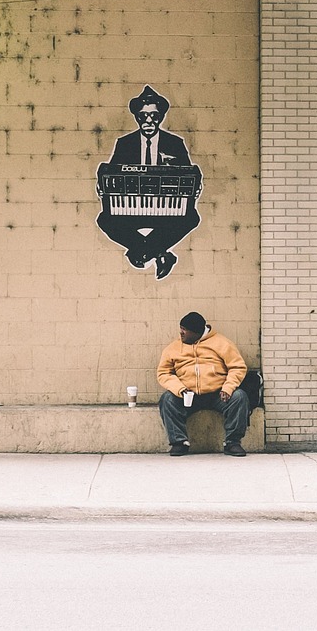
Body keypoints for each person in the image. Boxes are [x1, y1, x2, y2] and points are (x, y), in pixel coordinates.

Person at [95, 85, 201, 280]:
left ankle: (140, 253)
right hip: (132, 208)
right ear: (137, 117)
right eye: (144, 116)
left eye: (154, 115)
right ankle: (161, 254)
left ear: (161, 117)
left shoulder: (175, 143)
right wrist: (103, 187)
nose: (149, 121)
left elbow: (188, 174)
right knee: (105, 219)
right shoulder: (124, 143)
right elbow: (112, 174)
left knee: (191, 218)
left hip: (166, 210)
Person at [156, 311, 250, 456]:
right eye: (180, 328)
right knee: (167, 399)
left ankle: (232, 442)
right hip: (188, 395)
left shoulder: (221, 343)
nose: (180, 333)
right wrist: (180, 389)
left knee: (239, 396)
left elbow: (237, 367)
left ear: (197, 333)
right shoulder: (173, 348)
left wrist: (228, 387)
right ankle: (179, 442)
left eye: (184, 330)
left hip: (218, 394)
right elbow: (164, 373)